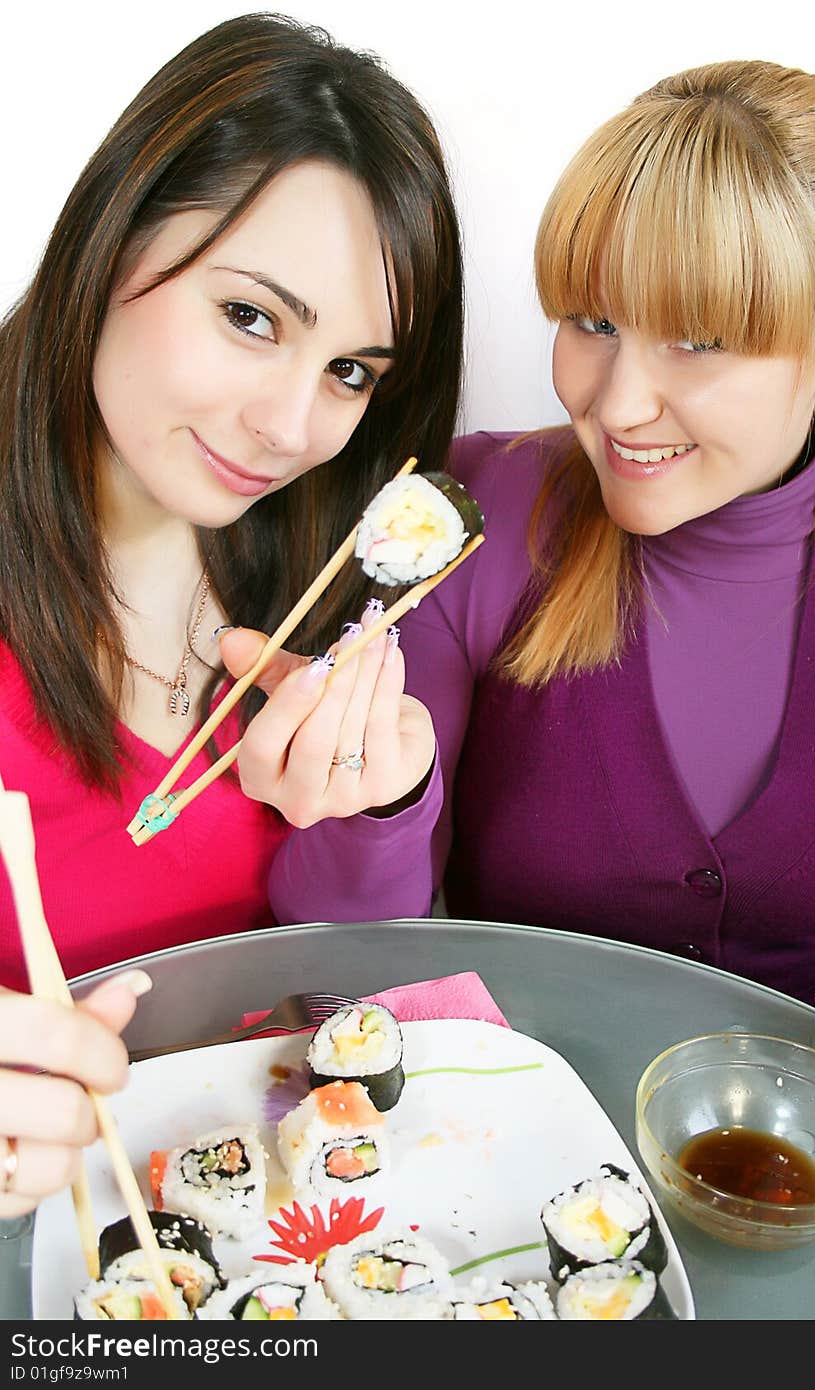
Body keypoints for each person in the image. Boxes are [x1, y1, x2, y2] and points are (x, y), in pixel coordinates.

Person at [247, 61, 815, 1084]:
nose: (617, 403)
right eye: (592, 321)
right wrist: (376, 804)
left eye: (699, 341)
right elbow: (342, 973)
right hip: (514, 1145)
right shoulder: (472, 519)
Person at [0, 12, 463, 1216]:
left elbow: (340, 986)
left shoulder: (315, 584)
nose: (293, 427)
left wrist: (376, 811)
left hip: (247, 1225)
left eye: (351, 370)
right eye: (252, 317)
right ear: (111, 239)